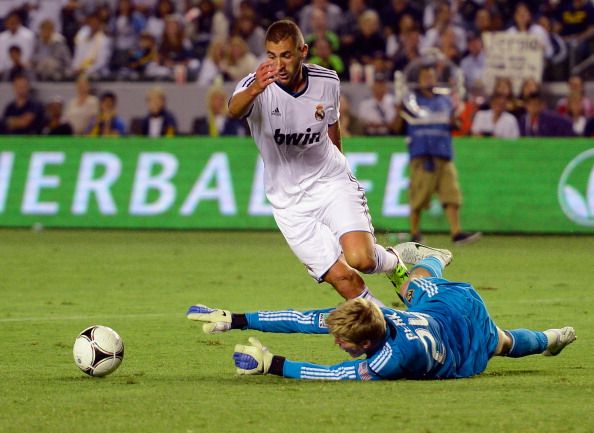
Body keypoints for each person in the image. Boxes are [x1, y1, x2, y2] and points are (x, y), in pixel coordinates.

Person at [187, 242, 577, 380]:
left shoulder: (391, 359)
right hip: (454, 307)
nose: (336, 342)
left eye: (341, 341)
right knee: (416, 288)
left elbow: (334, 375)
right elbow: (304, 320)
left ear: (365, 342)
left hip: (460, 347)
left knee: (502, 343)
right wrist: (235, 318)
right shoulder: (371, 316)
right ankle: (552, 338)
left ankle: (551, 338)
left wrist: (272, 365)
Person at [226, 20, 407, 305]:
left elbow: (332, 124)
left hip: (329, 181)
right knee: (343, 279)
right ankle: (393, 325)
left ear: (303, 51)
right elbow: (234, 109)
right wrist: (255, 90)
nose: (278, 64)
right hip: (288, 201)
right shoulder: (256, 85)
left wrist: (339, 163)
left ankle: (394, 263)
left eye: (286, 55)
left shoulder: (328, 81)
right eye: (272, 56)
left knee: (360, 258)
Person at [401, 64, 481, 245]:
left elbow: (456, 124)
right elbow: (400, 123)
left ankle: (456, 233)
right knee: (419, 196)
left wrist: (456, 121)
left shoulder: (445, 101)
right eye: (425, 77)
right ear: (419, 81)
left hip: (443, 153)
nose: (429, 81)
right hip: (423, 155)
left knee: (451, 194)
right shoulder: (411, 100)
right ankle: (415, 233)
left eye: (431, 77)